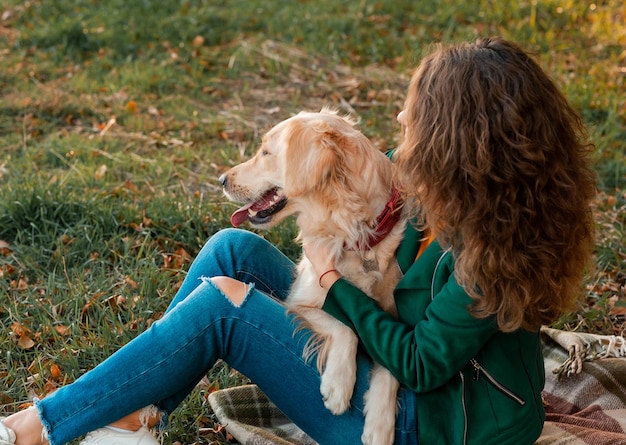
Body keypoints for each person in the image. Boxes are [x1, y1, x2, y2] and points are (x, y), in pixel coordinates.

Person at [1, 36, 596, 445]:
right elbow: (363, 173)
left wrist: (332, 279)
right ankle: (132, 417)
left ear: (460, 144)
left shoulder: (488, 257)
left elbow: (418, 364)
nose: (401, 127)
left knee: (220, 306)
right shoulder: (449, 189)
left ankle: (37, 428)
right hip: (407, 381)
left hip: (426, 424)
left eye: (418, 121)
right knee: (229, 252)